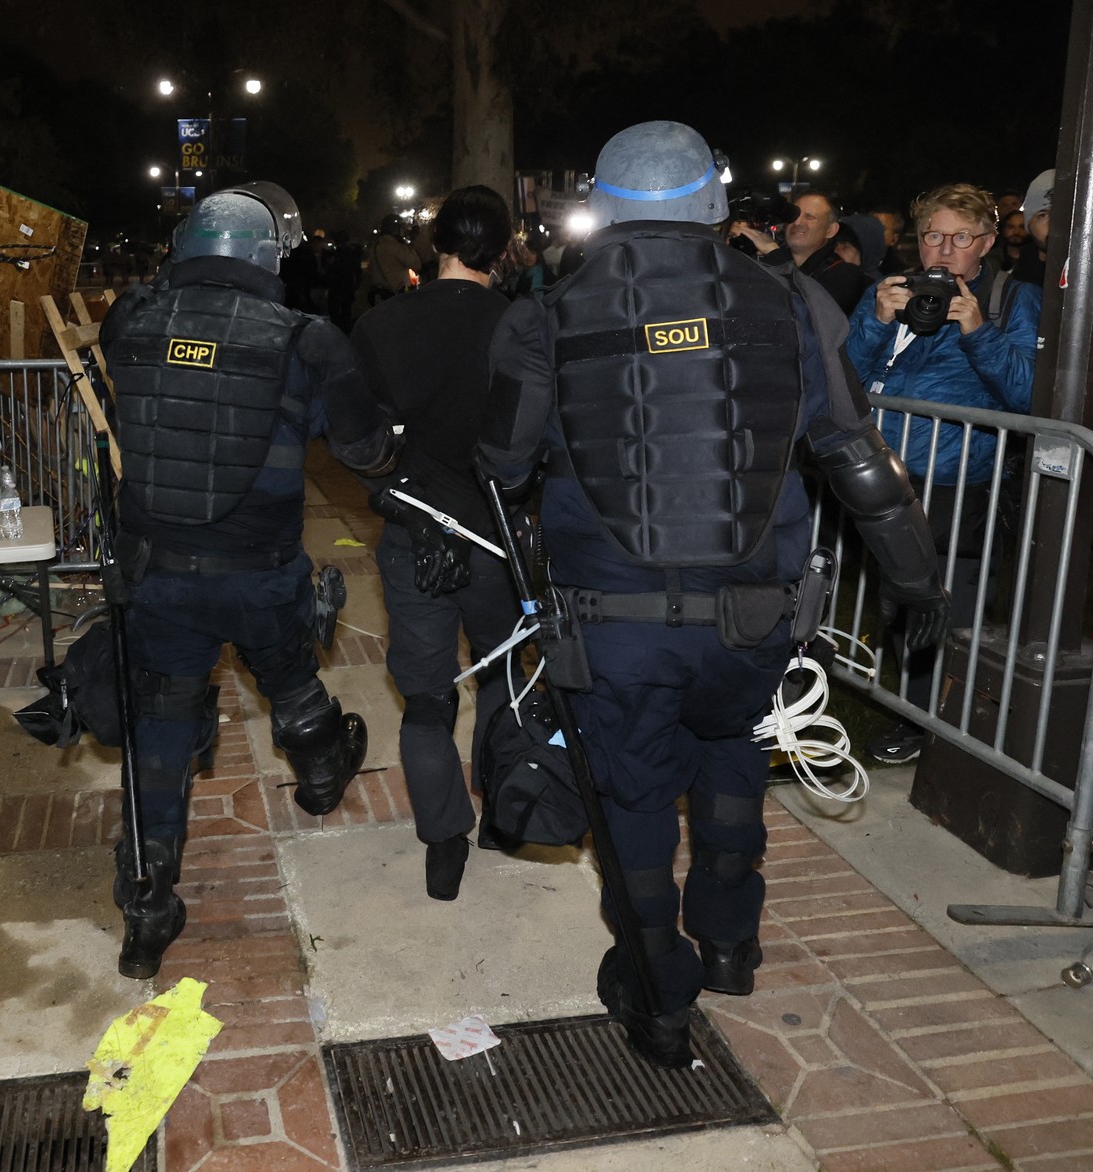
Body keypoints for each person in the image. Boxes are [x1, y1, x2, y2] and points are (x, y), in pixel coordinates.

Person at [480, 121, 948, 1067]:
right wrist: (916, 583)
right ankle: (731, 945)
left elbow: (500, 460)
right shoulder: (794, 298)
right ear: (715, 202)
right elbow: (856, 455)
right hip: (751, 619)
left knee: (634, 796)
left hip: (613, 625)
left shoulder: (544, 313)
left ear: (601, 205)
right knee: (731, 760)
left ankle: (658, 989)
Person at [98, 181, 398, 979]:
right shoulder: (308, 340)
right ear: (271, 259)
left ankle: (147, 902)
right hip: (260, 572)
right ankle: (324, 775)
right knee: (293, 675)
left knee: (159, 729)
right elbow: (367, 452)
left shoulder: (128, 319)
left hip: (159, 572)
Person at [350, 185, 524, 901]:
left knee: (425, 698)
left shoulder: (383, 325)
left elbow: (358, 438)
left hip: (414, 526)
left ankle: (443, 839)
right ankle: (510, 807)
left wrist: (396, 478)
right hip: (498, 533)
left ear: (437, 244)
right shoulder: (523, 325)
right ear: (505, 249)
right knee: (505, 678)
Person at [846, 183, 1042, 765]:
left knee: (947, 607)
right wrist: (877, 321)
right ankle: (904, 709)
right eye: (934, 235)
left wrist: (977, 330)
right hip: (883, 474)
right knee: (895, 604)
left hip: (956, 478)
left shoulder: (1013, 298)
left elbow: (1026, 394)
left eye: (961, 237)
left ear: (986, 244)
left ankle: (939, 723)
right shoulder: (890, 291)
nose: (944, 249)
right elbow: (845, 378)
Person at [730, 190, 869, 314]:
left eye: (810, 217)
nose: (797, 223)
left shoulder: (845, 274)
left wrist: (775, 255)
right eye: (794, 215)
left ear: (830, 230)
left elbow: (809, 317)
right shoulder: (769, 262)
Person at [368, 215, 421, 304]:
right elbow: (416, 265)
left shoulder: (375, 246)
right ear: (396, 230)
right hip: (396, 295)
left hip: (379, 295)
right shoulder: (395, 246)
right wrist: (410, 245)